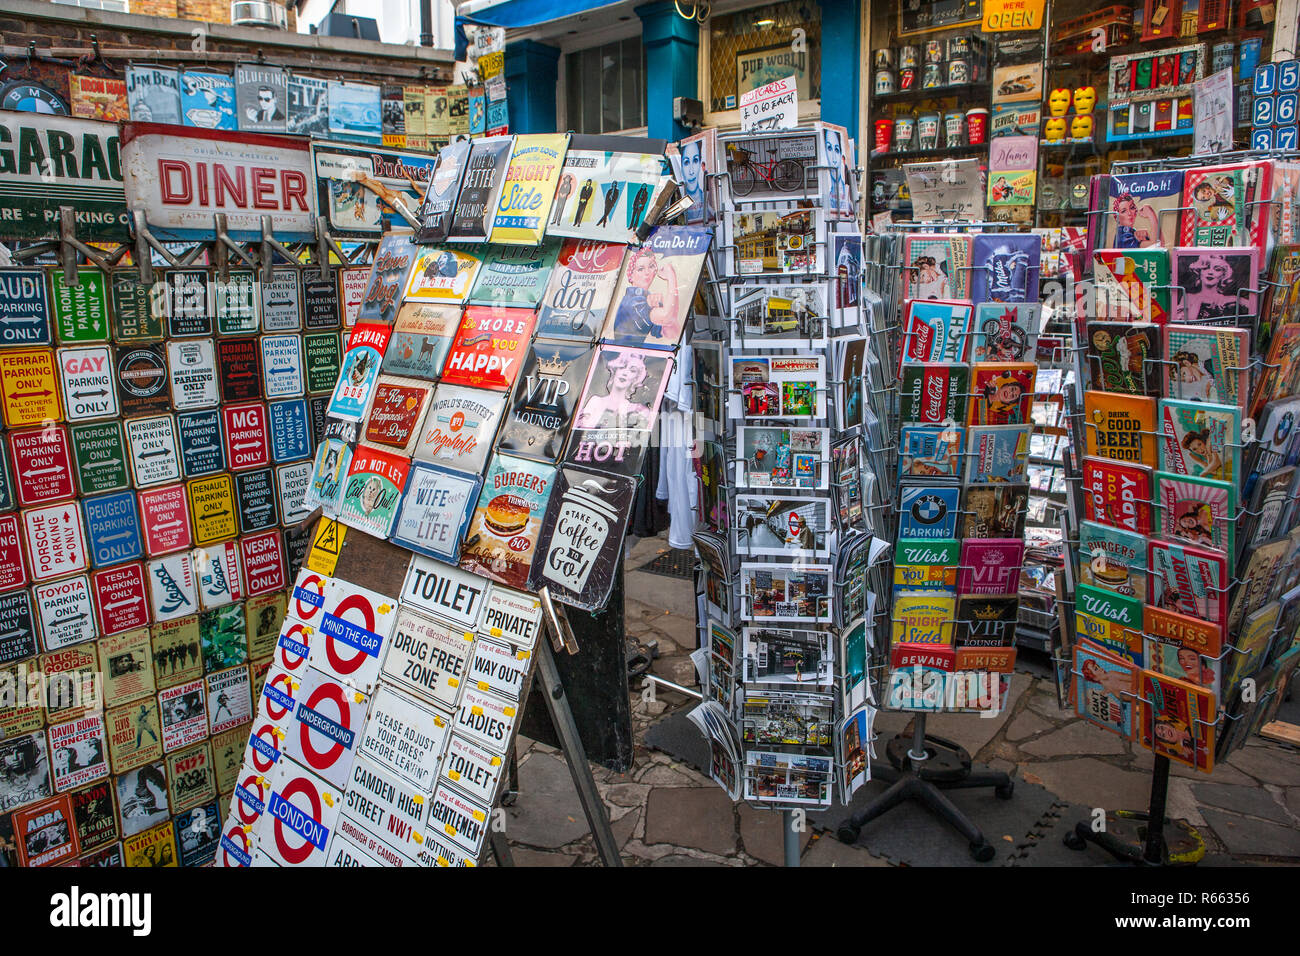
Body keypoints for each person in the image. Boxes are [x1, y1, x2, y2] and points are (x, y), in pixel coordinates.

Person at [610, 246, 680, 342]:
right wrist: (671, 278)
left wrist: (664, 305)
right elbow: (666, 317)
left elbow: (672, 333)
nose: (647, 272)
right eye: (640, 269)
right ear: (631, 275)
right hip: (621, 355)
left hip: (640, 355)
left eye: (651, 266)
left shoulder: (647, 299)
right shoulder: (632, 302)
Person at [575, 351, 655, 430]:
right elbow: (582, 433)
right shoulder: (595, 402)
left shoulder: (638, 410)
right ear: (615, 370)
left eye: (632, 370)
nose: (625, 373)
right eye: (622, 367)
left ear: (636, 378)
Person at [680, 138, 708, 221]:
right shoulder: (678, 206)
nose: (691, 171)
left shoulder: (709, 205)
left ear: (700, 163)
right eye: (686, 162)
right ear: (681, 167)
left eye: (695, 160)